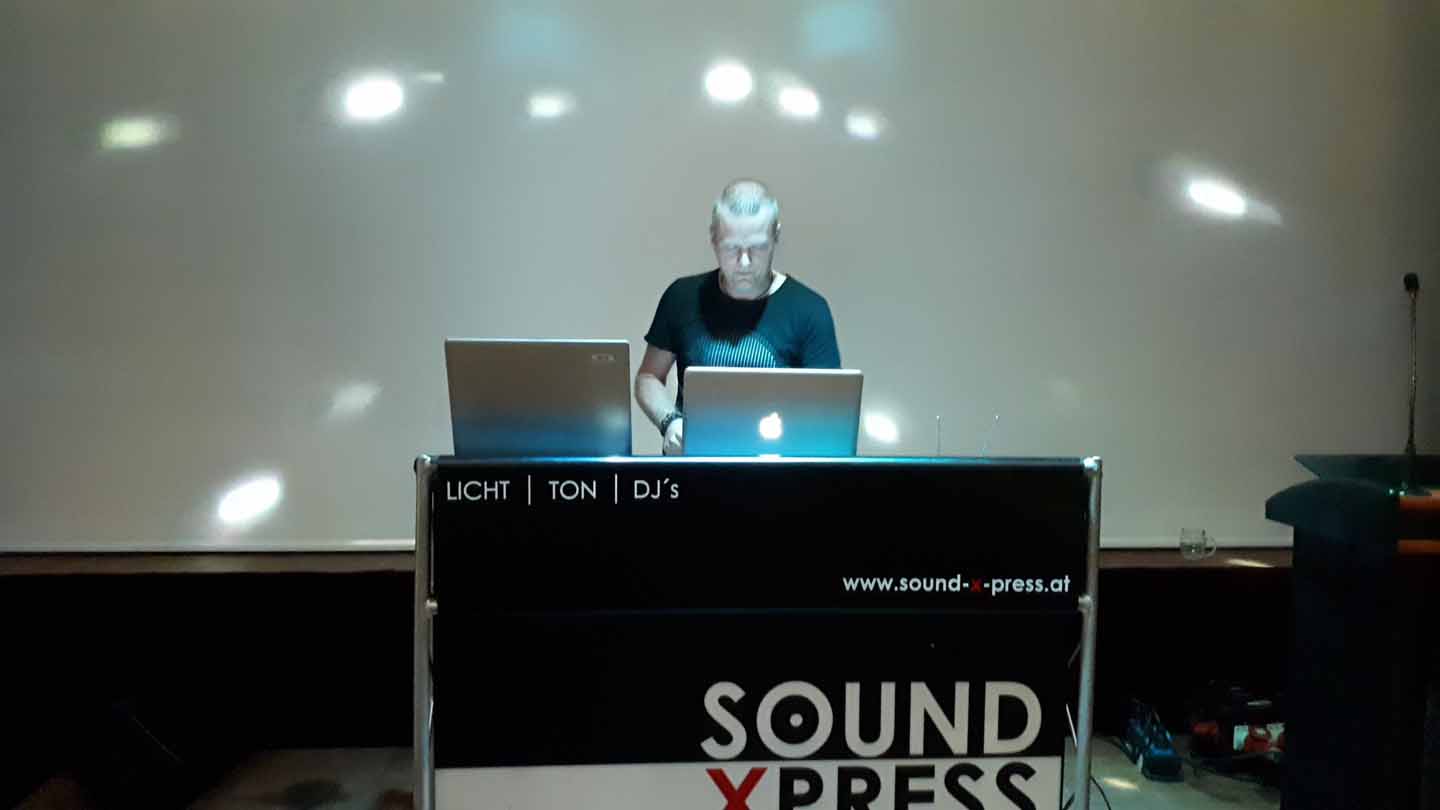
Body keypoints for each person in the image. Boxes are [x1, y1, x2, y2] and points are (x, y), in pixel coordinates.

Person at [635, 179, 841, 454]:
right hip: (694, 467)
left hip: (777, 470)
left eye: (758, 248)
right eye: (732, 248)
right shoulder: (681, 297)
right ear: (713, 239)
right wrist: (670, 421)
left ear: (776, 236)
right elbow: (649, 377)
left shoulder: (809, 310)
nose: (744, 262)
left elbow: (829, 411)